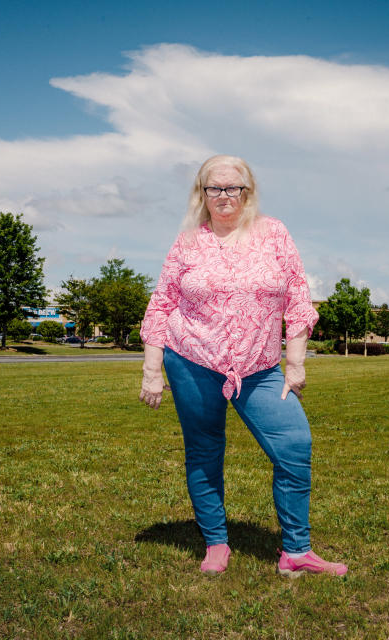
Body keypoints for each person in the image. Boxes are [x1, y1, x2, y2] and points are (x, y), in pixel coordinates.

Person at [139, 155, 347, 578]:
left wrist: (295, 363)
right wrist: (152, 369)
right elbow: (161, 304)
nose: (223, 196)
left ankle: (296, 551)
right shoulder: (188, 243)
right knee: (204, 451)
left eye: (233, 188)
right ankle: (216, 542)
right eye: (213, 188)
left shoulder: (274, 234)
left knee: (294, 445)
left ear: (247, 192)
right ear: (201, 194)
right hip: (192, 360)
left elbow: (298, 299)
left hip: (260, 367)